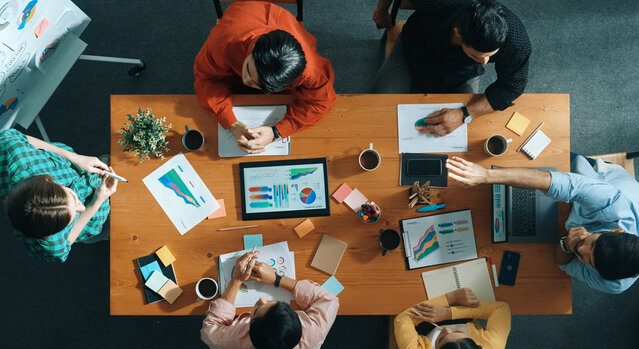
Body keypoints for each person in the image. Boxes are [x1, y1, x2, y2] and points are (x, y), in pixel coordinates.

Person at [445, 155, 639, 294]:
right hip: (599, 179)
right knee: (537, 157)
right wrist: (485, 176)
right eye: (593, 243)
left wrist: (565, 244)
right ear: (616, 230)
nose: (581, 247)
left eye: (587, 260)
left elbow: (563, 265)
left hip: (568, 214)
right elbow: (556, 182)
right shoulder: (613, 202)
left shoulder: (613, 283)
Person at [372, 0, 531, 137]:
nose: (484, 62)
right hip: (413, 51)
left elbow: (513, 85)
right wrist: (381, 10)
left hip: (462, 73)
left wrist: (465, 114)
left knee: (458, 134)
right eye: (477, 55)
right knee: (377, 112)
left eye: (490, 56)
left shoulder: (515, 40)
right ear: (458, 34)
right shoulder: (438, 3)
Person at [194, 1, 336, 154]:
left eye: (258, 84)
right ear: (254, 49)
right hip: (242, 16)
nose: (246, 81)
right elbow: (205, 79)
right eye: (248, 69)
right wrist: (231, 123)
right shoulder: (223, 42)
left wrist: (276, 132)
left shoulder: (312, 71)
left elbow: (321, 102)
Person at [0, 129, 118, 262]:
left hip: (81, 170)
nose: (82, 208)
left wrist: (75, 158)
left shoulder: (13, 151)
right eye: (70, 221)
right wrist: (97, 201)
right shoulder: (50, 246)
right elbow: (66, 243)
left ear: (47, 180)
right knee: (115, 227)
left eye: (72, 196)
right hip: (99, 219)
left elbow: (23, 138)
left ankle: (99, 169)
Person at [201, 251, 339, 349]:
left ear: (249, 327)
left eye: (255, 311)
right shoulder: (314, 336)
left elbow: (210, 328)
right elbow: (330, 300)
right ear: (293, 315)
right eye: (276, 303)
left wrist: (236, 280)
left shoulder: (226, 344)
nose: (262, 300)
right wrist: (277, 278)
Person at [395, 287, 511, 349]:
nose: (446, 329)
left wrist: (451, 298)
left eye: (440, 340)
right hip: (464, 316)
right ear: (477, 346)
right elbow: (501, 308)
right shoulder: (493, 346)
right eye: (458, 331)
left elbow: (403, 318)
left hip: (424, 323)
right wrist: (448, 313)